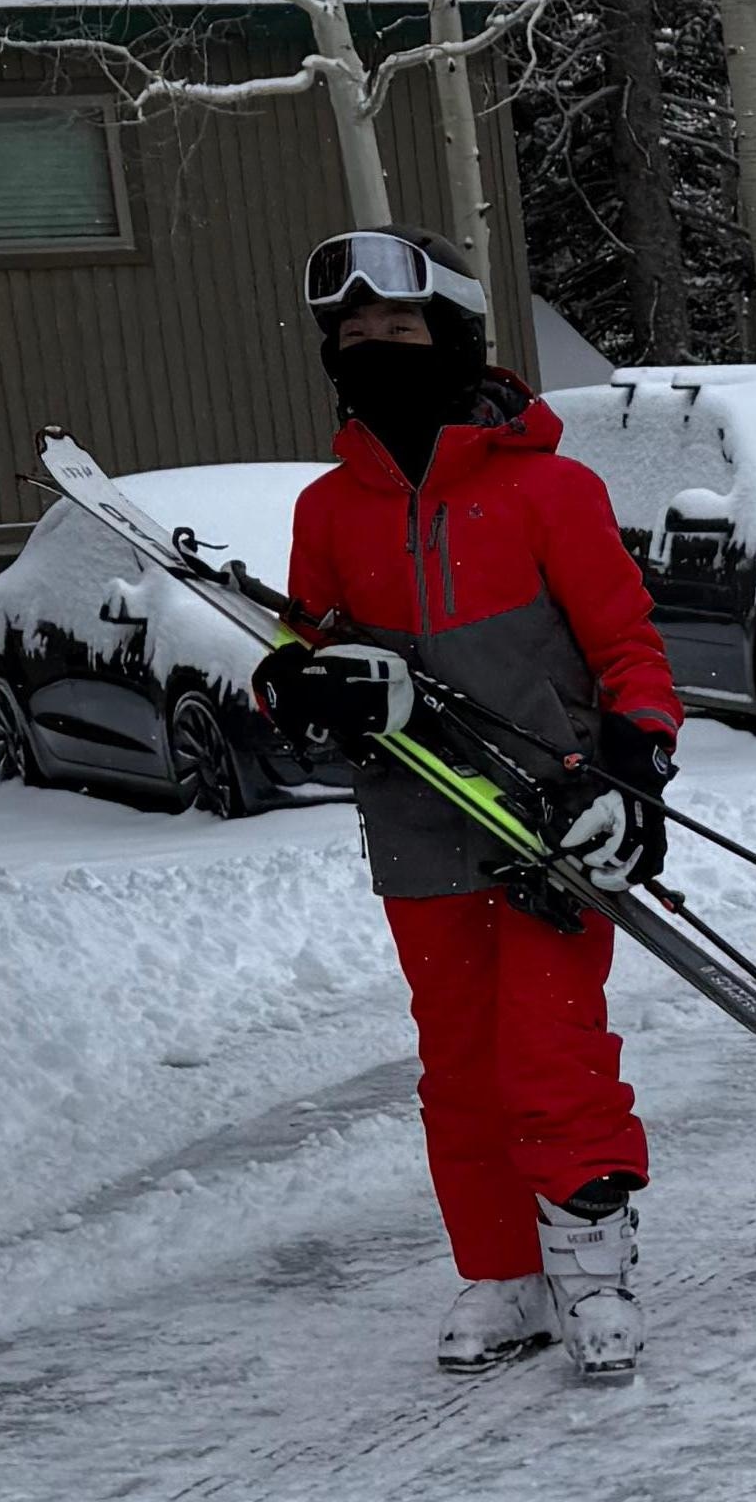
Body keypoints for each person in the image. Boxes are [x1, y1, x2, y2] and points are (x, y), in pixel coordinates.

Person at [266, 227, 683, 1386]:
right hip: (415, 824)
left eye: (397, 329)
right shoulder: (328, 510)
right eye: (352, 335)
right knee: (457, 1067)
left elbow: (630, 654)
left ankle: (592, 1275)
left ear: (450, 338)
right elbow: (297, 648)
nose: (372, 350)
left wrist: (635, 772)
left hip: (553, 822)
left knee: (552, 1053)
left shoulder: (551, 489)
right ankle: (503, 1275)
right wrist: (299, 688)